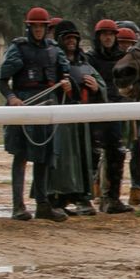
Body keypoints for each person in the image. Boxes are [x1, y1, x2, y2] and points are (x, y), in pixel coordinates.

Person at [0, 7, 73, 221]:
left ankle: (43, 204)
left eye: (42, 26)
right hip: (23, 106)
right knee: (20, 155)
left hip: (48, 106)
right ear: (29, 27)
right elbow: (2, 81)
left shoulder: (54, 50)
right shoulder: (18, 48)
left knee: (45, 156)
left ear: (47, 28)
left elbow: (64, 77)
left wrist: (67, 85)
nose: (38, 30)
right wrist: (12, 98)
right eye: (35, 26)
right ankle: (18, 206)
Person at [43, 20, 104, 216]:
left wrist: (96, 87)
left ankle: (82, 196)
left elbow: (101, 85)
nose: (71, 42)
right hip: (61, 118)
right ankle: (58, 197)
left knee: (84, 158)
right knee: (63, 160)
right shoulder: (54, 62)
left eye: (74, 38)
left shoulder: (84, 63)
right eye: (67, 38)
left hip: (82, 119)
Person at [85, 18, 133, 213]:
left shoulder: (123, 58)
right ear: (98, 37)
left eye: (111, 34)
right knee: (93, 155)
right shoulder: (90, 59)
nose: (108, 38)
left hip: (116, 109)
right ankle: (87, 198)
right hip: (95, 111)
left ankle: (112, 198)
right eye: (104, 34)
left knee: (117, 153)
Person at [115, 25, 140, 207]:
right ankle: (103, 188)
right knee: (114, 152)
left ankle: (137, 189)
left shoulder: (139, 63)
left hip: (139, 113)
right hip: (117, 113)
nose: (125, 47)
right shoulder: (114, 62)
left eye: (129, 44)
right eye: (122, 44)